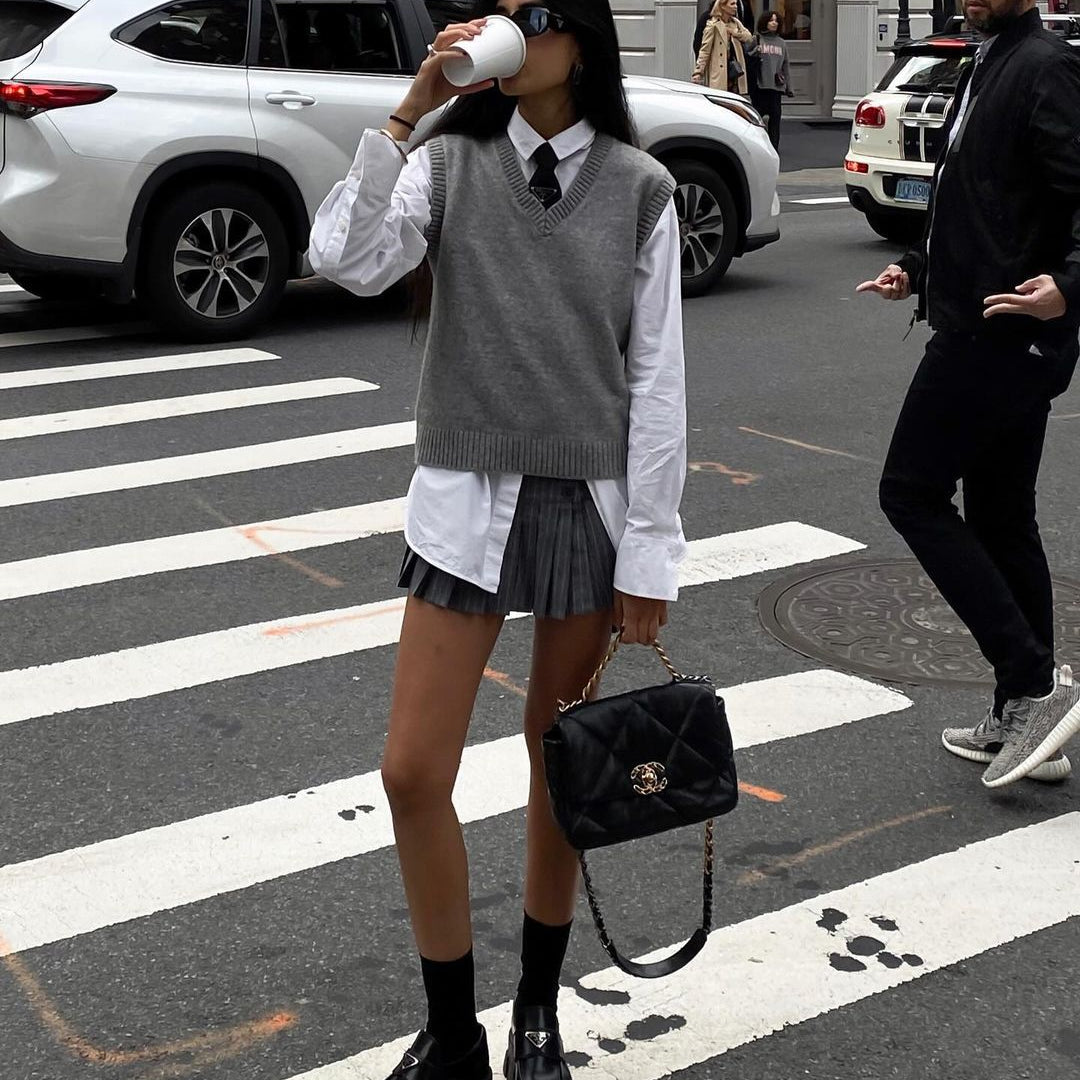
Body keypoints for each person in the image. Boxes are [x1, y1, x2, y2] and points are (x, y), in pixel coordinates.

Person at [308, 0, 688, 1076]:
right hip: (465, 499)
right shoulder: (446, 162)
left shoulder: (640, 186)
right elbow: (345, 259)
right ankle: (450, 1028)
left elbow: (658, 380)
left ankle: (535, 1012)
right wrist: (409, 111)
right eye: (500, 13)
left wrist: (651, 550)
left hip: (584, 506)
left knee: (558, 768)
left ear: (584, 43)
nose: (513, 33)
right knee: (411, 770)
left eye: (537, 15)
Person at [858, 0, 1080, 790]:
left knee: (909, 492)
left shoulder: (1045, 66)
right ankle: (1025, 719)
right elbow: (980, 197)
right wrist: (918, 270)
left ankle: (1032, 685)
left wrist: (1070, 285)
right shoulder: (984, 59)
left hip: (1003, 329)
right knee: (1000, 516)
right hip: (989, 319)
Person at [748, 10, 794, 150]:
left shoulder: (782, 43)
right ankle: (756, 145)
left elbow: (785, 65)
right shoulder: (757, 39)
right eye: (771, 20)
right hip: (760, 86)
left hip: (776, 87)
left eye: (776, 21)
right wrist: (755, 51)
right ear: (765, 22)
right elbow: (747, 57)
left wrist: (789, 87)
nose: (774, 23)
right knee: (757, 119)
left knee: (775, 119)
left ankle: (774, 147)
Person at [692, 0, 755, 94]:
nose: (736, 7)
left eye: (736, 4)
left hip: (735, 69)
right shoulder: (713, 25)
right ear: (723, 6)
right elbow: (704, 50)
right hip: (719, 69)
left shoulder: (735, 22)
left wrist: (735, 33)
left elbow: (749, 37)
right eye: (732, 4)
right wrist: (698, 72)